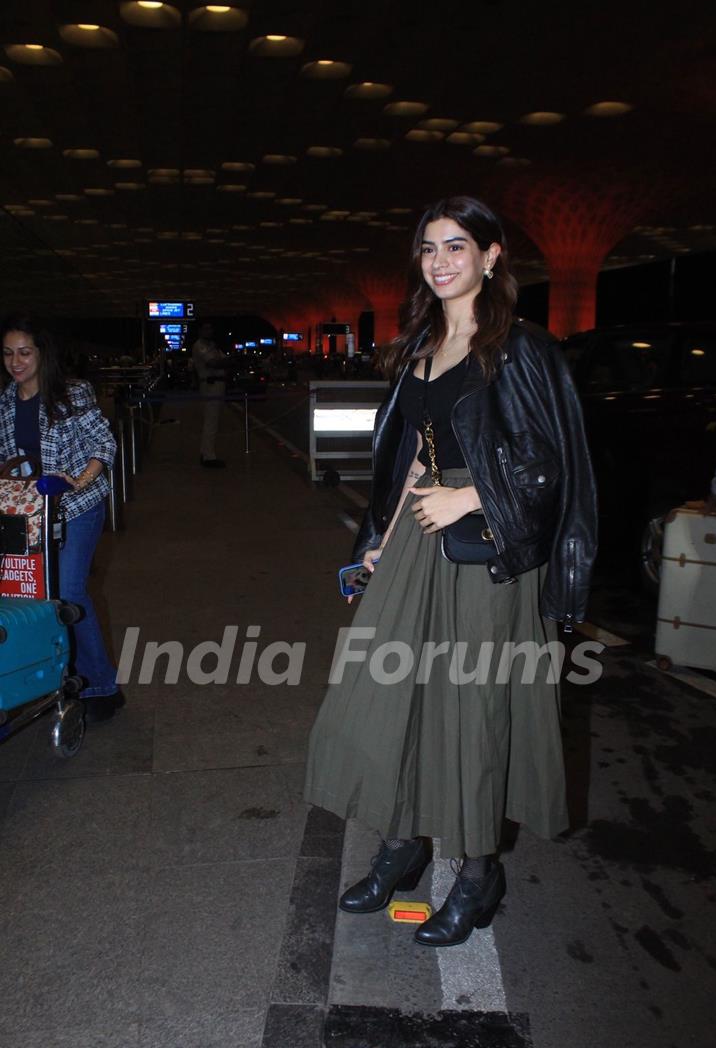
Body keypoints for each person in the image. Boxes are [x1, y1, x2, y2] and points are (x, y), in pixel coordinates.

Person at [304, 195, 598, 947]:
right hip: (418, 543)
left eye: (457, 246)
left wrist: (472, 493)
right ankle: (402, 844)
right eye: (430, 248)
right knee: (387, 692)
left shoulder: (524, 348)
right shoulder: (422, 346)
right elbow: (413, 457)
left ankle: (476, 872)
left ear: (492, 256)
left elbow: (558, 461)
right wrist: (380, 537)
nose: (439, 261)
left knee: (473, 711)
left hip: (489, 552)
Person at [0, 315, 122, 722]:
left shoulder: (72, 393)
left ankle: (101, 686)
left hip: (79, 507)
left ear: (41, 354)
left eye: (24, 352)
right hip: (31, 516)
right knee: (34, 598)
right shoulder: (4, 401)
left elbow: (103, 445)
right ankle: (50, 677)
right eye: (8, 353)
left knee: (69, 592)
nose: (16, 361)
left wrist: (76, 481)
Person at [192, 322, 231, 468]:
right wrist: (225, 362)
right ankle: (208, 456)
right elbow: (213, 363)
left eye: (211, 328)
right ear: (200, 331)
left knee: (213, 421)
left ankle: (206, 453)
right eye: (206, 328)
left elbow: (223, 360)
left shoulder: (213, 345)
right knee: (211, 421)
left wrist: (224, 361)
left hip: (217, 384)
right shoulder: (199, 345)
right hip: (210, 384)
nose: (209, 331)